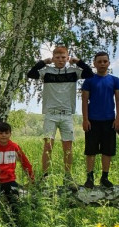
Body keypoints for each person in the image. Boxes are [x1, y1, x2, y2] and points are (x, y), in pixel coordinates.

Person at [27, 46, 94, 190]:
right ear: (53, 58)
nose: (60, 60)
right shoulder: (47, 72)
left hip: (67, 115)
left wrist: (77, 62)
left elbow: (90, 74)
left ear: (67, 58)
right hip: (51, 114)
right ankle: (44, 177)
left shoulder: (73, 72)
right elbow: (31, 74)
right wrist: (44, 62)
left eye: (63, 57)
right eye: (57, 57)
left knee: (68, 148)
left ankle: (68, 178)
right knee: (47, 147)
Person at [82, 51, 119, 189]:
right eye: (99, 61)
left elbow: (118, 100)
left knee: (107, 150)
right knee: (91, 150)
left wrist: (118, 118)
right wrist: (85, 119)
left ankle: (104, 177)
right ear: (95, 64)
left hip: (109, 120)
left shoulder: (115, 80)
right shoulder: (89, 80)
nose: (102, 64)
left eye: (105, 61)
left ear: (109, 63)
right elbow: (85, 101)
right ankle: (89, 177)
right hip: (92, 120)